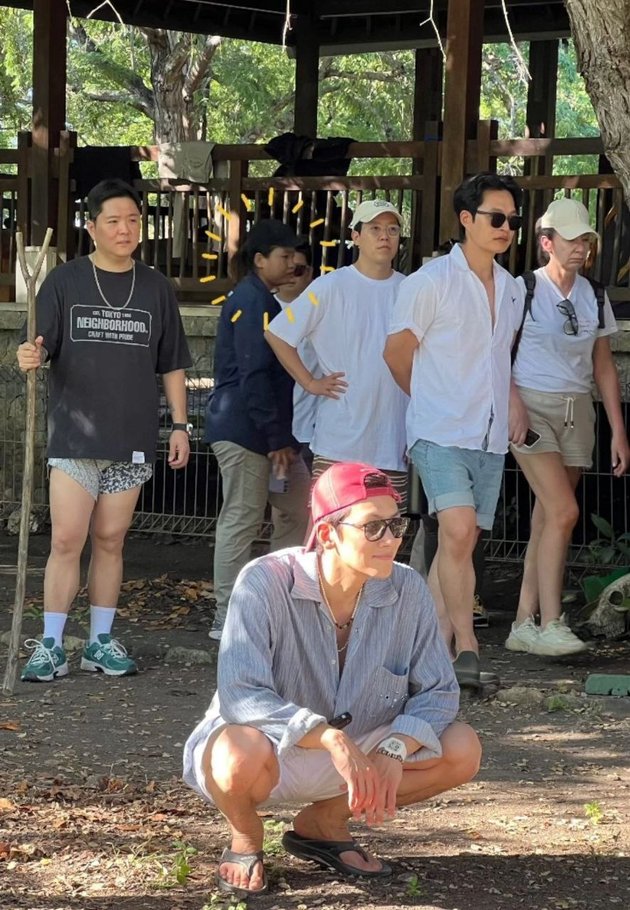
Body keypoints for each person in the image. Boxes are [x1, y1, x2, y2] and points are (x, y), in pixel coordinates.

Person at [183, 462, 480, 897]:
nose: (393, 539)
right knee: (235, 752)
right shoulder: (264, 581)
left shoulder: (409, 588)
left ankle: (323, 825)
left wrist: (395, 749)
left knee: (462, 749)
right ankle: (245, 837)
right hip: (274, 750)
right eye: (373, 527)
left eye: (397, 523)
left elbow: (439, 691)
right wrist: (328, 737)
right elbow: (241, 695)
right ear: (327, 534)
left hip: (359, 750)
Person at [16, 178, 192, 682]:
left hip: (132, 437)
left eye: (133, 220)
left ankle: (100, 642)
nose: (125, 229)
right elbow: (40, 344)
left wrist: (179, 425)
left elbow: (173, 364)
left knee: (112, 540)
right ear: (90, 226)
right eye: (113, 221)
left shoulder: (157, 287)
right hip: (75, 439)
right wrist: (29, 354)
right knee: (68, 540)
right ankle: (50, 644)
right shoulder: (65, 281)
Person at [384, 172, 525, 689]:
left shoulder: (512, 289)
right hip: (439, 429)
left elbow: (499, 361)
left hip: (488, 436)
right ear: (466, 219)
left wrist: (509, 403)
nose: (506, 227)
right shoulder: (429, 282)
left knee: (457, 546)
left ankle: (425, 653)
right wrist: (429, 402)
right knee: (459, 532)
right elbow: (396, 355)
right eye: (496, 217)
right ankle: (468, 645)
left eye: (512, 219)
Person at [506, 198, 630, 656]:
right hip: (532, 408)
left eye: (586, 239)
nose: (581, 246)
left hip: (579, 409)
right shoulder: (524, 289)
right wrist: (513, 402)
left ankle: (523, 623)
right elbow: (499, 352)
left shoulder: (594, 294)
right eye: (572, 238)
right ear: (546, 242)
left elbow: (604, 369)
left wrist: (618, 431)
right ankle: (552, 623)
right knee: (563, 512)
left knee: (547, 517)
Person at [204, 219, 311, 641]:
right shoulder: (253, 303)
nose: (291, 265)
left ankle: (272, 600)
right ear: (260, 260)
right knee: (242, 517)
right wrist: (276, 440)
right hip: (246, 431)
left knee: (297, 507)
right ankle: (227, 614)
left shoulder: (261, 299)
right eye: (284, 257)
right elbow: (254, 375)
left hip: (263, 432)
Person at [265, 200, 409, 503]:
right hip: (339, 441)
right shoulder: (329, 286)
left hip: (393, 440)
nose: (384, 236)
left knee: (384, 533)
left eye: (392, 229)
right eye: (374, 229)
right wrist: (310, 382)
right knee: (331, 530)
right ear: (355, 236)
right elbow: (277, 334)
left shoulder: (411, 289)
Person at [274, 239, 319, 471]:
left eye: (299, 269)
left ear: (310, 272)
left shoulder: (321, 308)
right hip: (272, 427)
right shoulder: (262, 307)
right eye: (287, 267)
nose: (292, 275)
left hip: (308, 427)